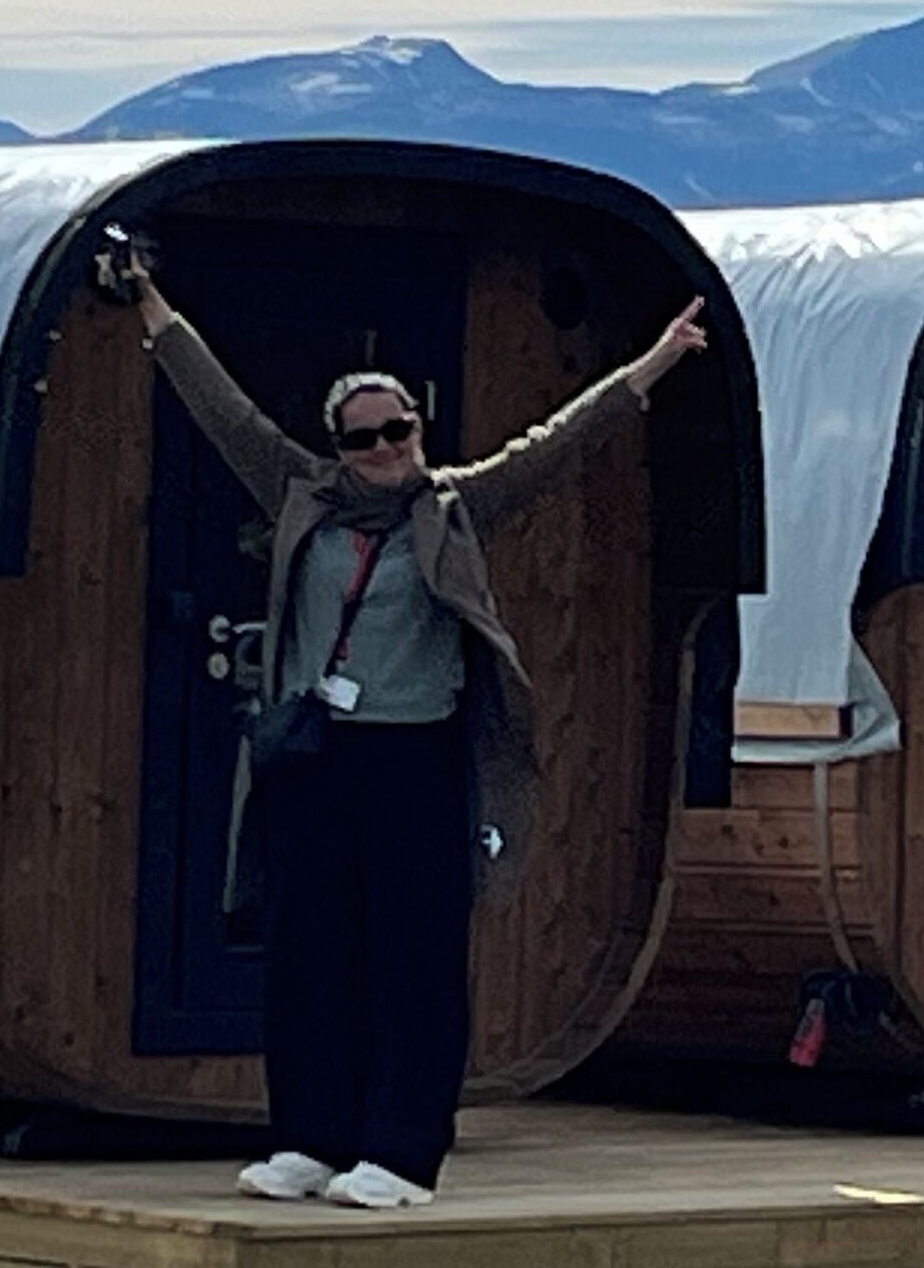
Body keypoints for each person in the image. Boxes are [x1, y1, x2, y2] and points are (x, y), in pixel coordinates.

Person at [120, 239, 710, 1207]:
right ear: (337, 447)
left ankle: (401, 1152)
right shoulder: (299, 492)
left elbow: (557, 444)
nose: (388, 449)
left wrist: (652, 363)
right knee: (310, 951)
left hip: (414, 758)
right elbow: (219, 406)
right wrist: (148, 303)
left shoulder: (456, 507)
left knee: (413, 960)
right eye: (365, 438)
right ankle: (309, 1136)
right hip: (315, 756)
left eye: (399, 429)